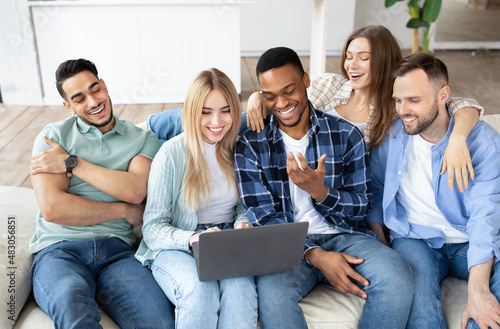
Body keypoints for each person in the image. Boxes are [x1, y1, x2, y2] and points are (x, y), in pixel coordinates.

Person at [234, 46, 415, 329]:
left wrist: (321, 192)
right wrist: (315, 255)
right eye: (270, 96)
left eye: (289, 91)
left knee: (399, 276)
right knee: (272, 295)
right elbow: (263, 217)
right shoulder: (251, 145)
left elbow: (361, 207)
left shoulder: (345, 135)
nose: (281, 103)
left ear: (306, 81)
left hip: (346, 236)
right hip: (287, 246)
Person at [245, 25, 482, 195]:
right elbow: (285, 93)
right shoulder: (330, 85)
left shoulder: (395, 105)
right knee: (244, 122)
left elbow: (462, 104)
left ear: (383, 60)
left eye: (363, 58)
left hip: (343, 188)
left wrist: (458, 138)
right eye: (349, 57)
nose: (352, 65)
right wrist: (257, 97)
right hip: (297, 171)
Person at [28, 59, 174, 328]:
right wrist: (121, 211)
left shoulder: (142, 139)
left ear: (104, 86)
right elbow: (54, 209)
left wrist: (72, 163)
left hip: (117, 252)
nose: (93, 101)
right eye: (79, 98)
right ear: (68, 106)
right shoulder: (52, 138)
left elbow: (134, 191)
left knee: (161, 321)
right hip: (59, 251)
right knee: (71, 305)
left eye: (95, 89)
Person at [368, 52, 500, 329]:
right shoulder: (391, 136)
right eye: (398, 100)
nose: (403, 110)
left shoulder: (484, 143)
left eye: (414, 100)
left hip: (469, 238)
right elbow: (377, 190)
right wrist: (381, 241)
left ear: (443, 95)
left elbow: (485, 216)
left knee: (488, 302)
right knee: (416, 296)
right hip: (415, 238)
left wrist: (478, 290)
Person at [135, 68, 258, 329]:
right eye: (206, 111)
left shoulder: (240, 148)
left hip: (225, 240)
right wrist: (193, 239)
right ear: (192, 112)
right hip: (176, 244)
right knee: (200, 290)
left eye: (225, 110)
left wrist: (242, 223)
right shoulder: (171, 154)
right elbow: (153, 228)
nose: (217, 121)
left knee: (241, 294)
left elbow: (242, 205)